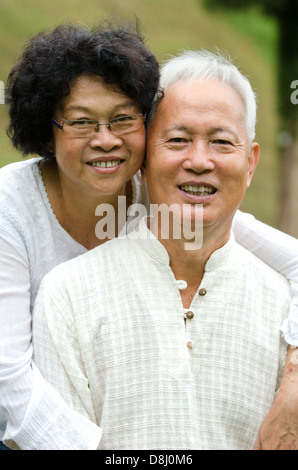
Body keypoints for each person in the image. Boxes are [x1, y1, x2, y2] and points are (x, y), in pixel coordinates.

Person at [0, 23, 297, 450]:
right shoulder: (11, 212)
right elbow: (10, 379)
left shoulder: (156, 191)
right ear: (48, 131)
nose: (106, 141)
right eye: (82, 122)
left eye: (122, 119)